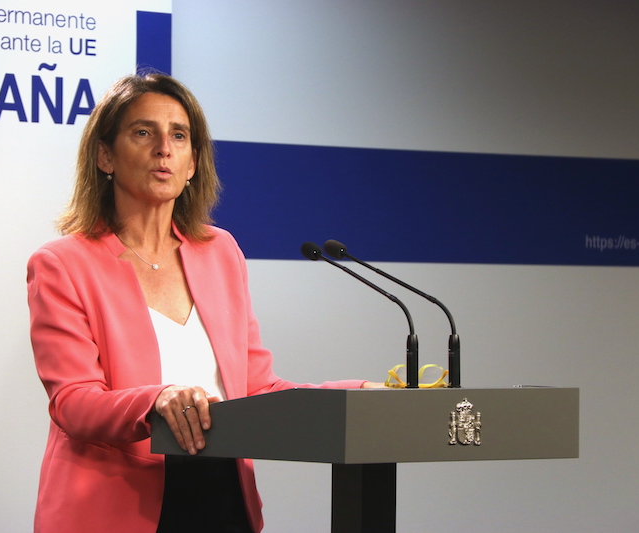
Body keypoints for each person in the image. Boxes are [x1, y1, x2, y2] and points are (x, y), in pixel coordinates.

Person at [27, 72, 378, 533]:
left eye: (179, 135)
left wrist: (359, 395)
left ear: (193, 162)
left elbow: (255, 391)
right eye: (143, 132)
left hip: (221, 496)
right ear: (105, 155)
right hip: (113, 505)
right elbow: (73, 402)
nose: (164, 149)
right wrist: (157, 400)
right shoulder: (62, 263)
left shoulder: (220, 251)